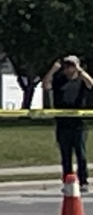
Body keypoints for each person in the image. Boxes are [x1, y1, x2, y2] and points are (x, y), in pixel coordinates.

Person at [42, 55, 93, 190]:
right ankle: (67, 181)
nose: (68, 69)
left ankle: (83, 181)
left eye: (71, 66)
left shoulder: (81, 80)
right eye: (66, 66)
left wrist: (79, 70)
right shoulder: (59, 80)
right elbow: (45, 85)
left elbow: (91, 84)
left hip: (78, 124)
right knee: (65, 155)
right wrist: (53, 70)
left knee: (80, 154)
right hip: (62, 123)